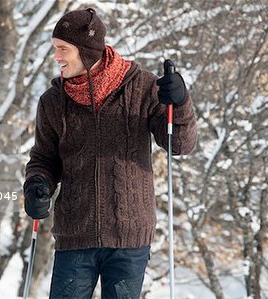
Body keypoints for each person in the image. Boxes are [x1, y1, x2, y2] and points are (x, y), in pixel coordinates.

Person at [23, 8, 197, 299]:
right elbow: (43, 159)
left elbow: (181, 144)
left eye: (63, 49)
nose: (57, 57)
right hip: (74, 235)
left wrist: (179, 104)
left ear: (87, 52)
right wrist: (36, 185)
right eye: (55, 49)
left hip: (129, 236)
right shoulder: (53, 101)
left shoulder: (142, 87)